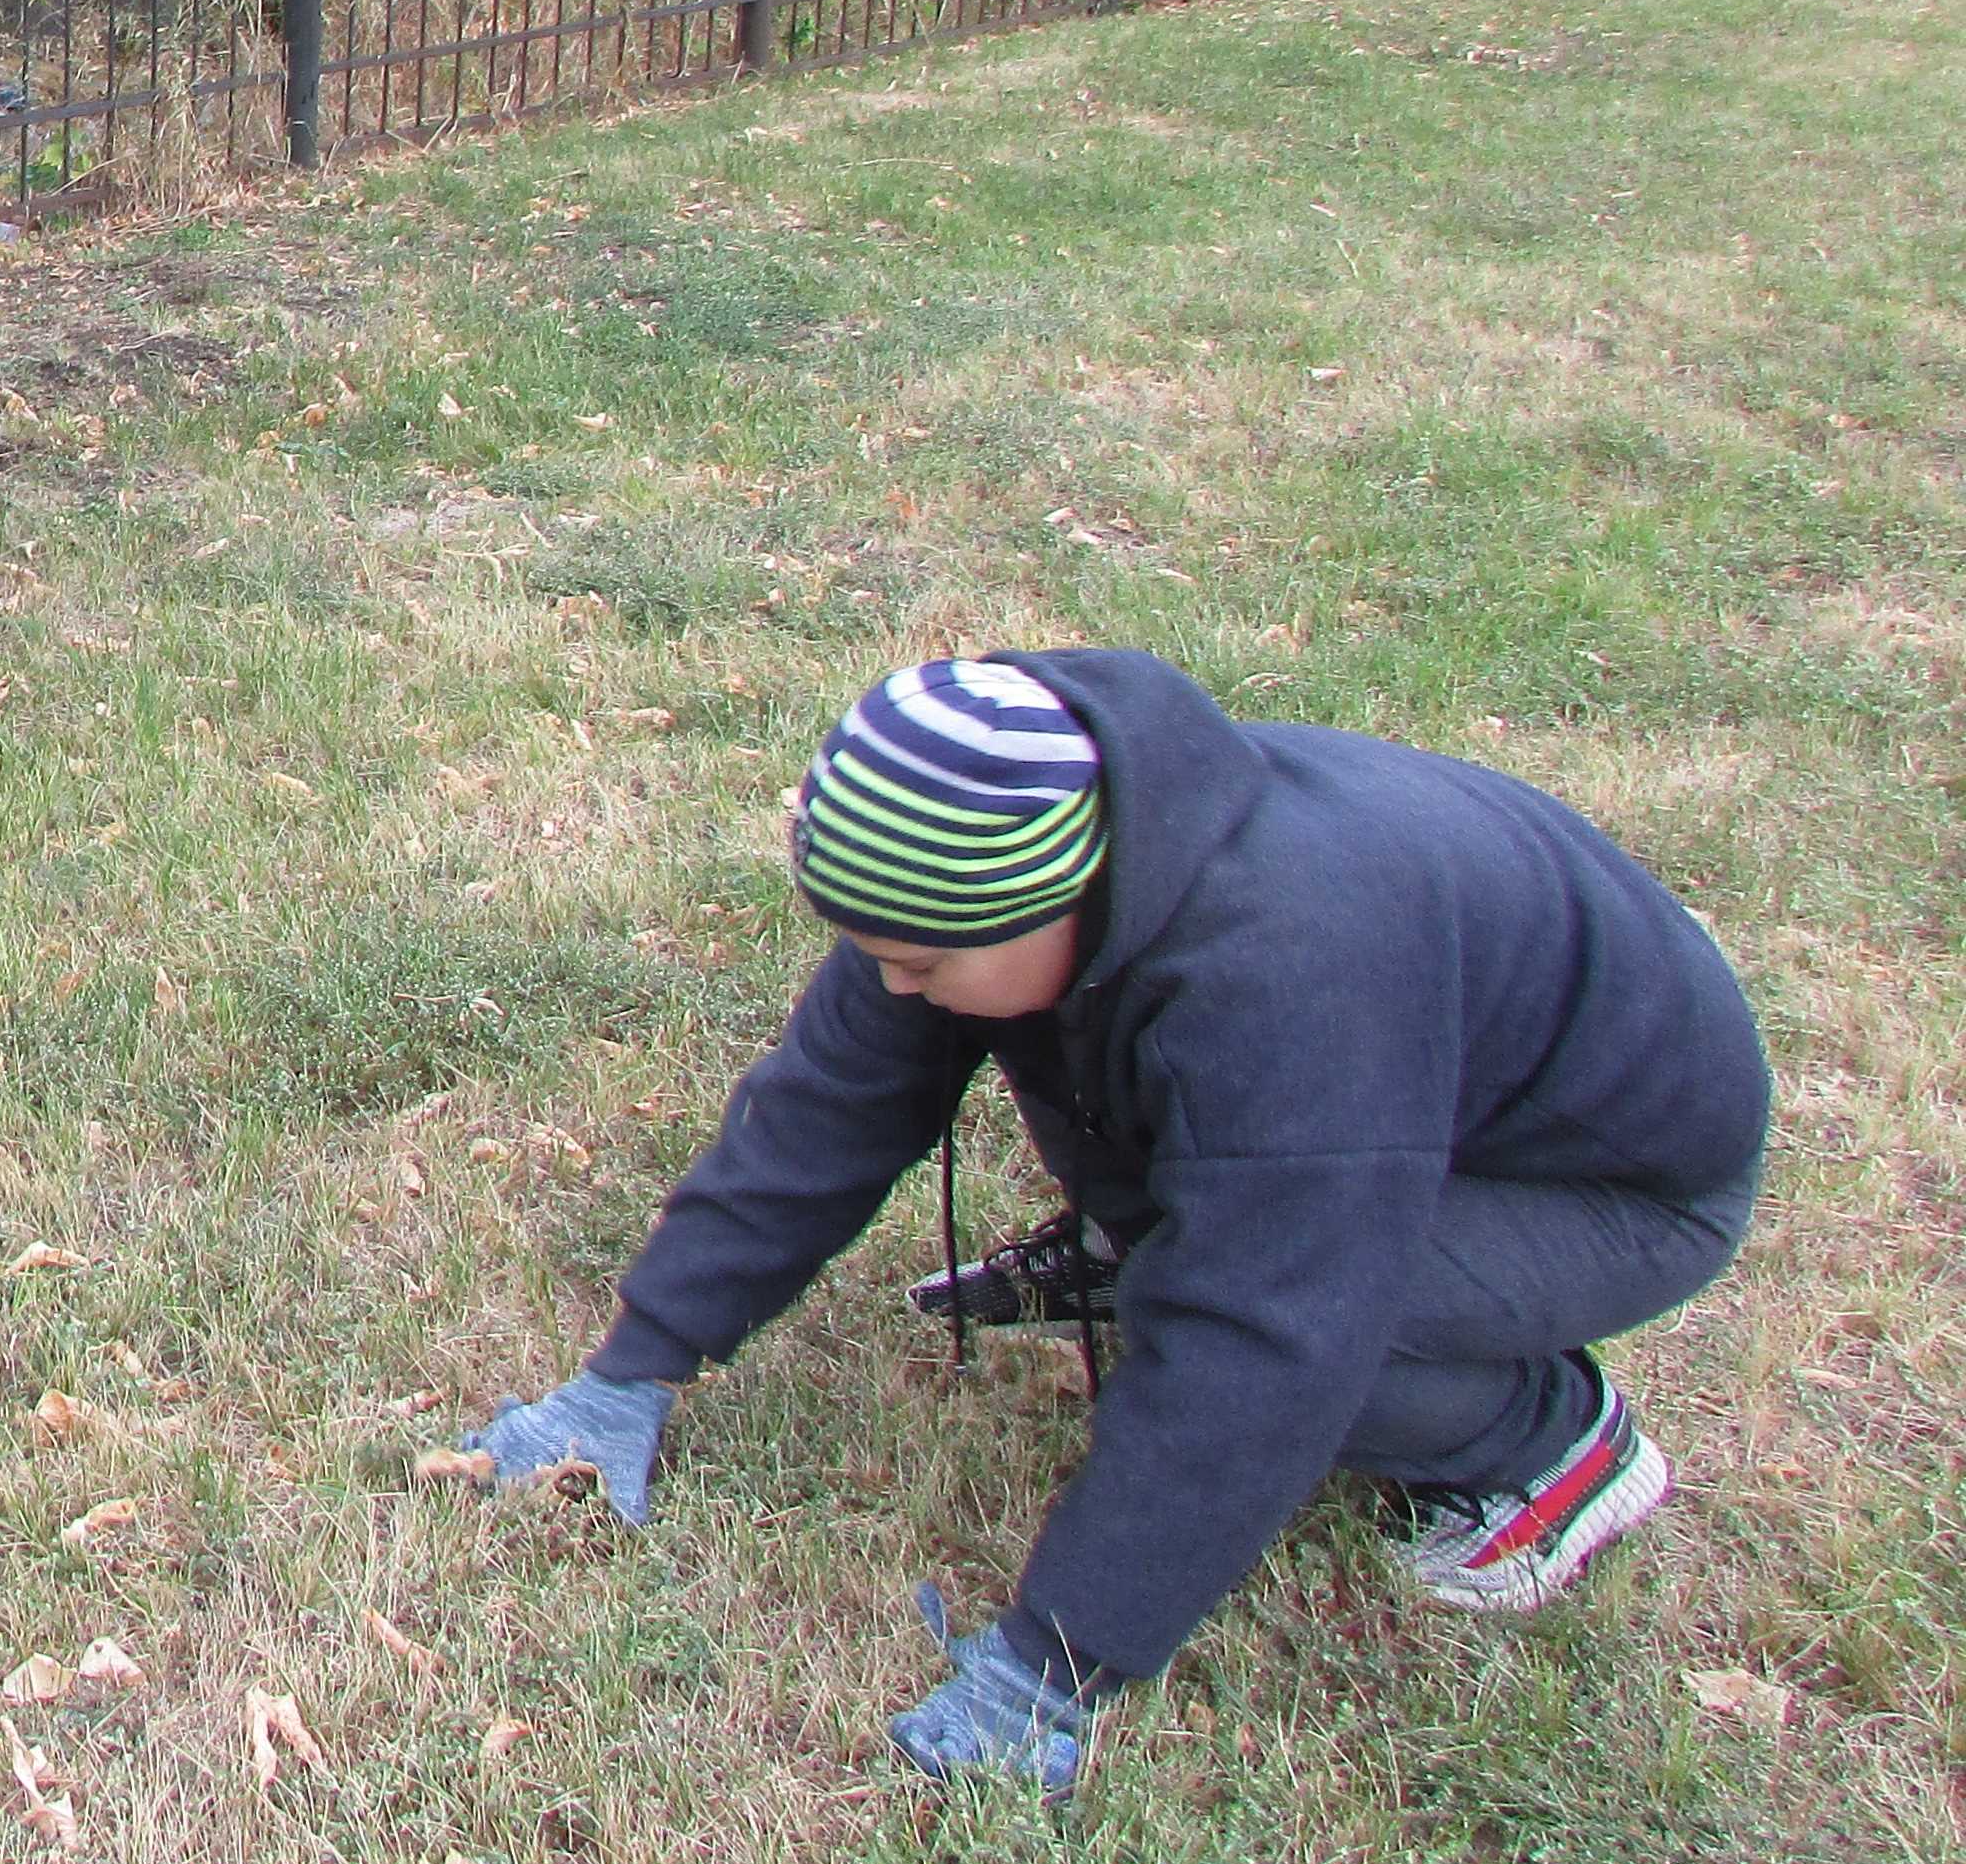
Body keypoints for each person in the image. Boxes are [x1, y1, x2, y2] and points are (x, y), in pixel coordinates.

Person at [453, 651, 1769, 1795]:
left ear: (1052, 905)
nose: (893, 987)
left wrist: (1052, 1666)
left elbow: (1262, 1343)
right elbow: (830, 1108)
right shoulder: (1006, 829)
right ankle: (1158, 1239)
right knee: (1208, 1236)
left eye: (919, 967)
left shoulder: (1286, 978)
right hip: (1414, 1106)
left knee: (1257, 1306)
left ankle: (1548, 1450)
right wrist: (630, 1374)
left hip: (1609, 1184)